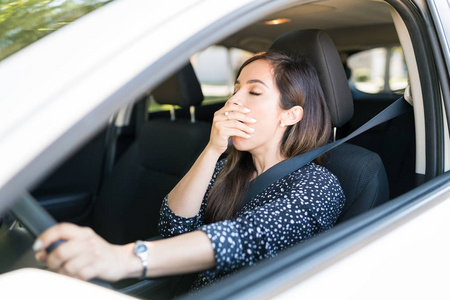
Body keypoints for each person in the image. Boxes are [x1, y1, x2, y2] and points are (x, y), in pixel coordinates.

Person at [33, 51, 345, 287]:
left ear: (290, 115)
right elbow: (174, 228)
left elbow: (247, 237)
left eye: (253, 91)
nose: (232, 101)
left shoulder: (318, 185)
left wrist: (123, 259)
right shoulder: (230, 167)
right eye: (235, 89)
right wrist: (212, 149)